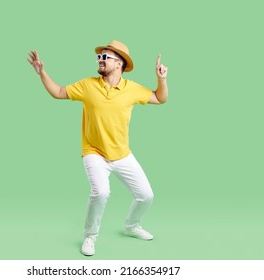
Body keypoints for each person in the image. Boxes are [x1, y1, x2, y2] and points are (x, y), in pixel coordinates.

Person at [27, 40, 168, 256]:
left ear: (119, 63)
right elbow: (58, 92)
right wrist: (41, 73)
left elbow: (160, 98)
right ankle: (90, 237)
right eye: (99, 57)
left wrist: (161, 79)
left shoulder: (132, 89)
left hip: (121, 153)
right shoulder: (88, 85)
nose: (100, 61)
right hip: (94, 152)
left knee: (146, 195)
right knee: (101, 192)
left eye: (105, 57)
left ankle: (131, 226)